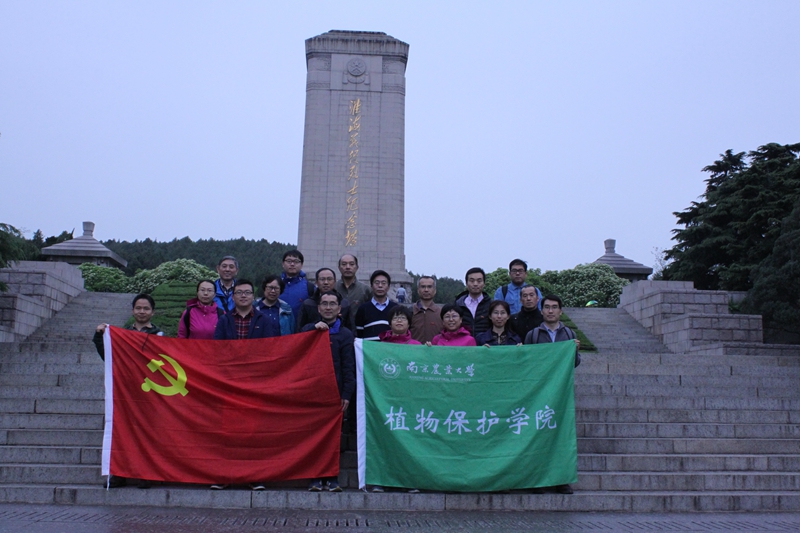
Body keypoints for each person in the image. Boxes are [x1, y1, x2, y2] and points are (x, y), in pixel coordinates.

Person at [92, 293, 164, 489]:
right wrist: (99, 336)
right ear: (132, 311)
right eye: (138, 308)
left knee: (147, 434)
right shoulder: (121, 335)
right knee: (122, 432)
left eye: (146, 308)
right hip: (125, 390)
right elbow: (108, 356)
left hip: (149, 392)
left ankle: (146, 473)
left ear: (153, 312)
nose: (142, 311)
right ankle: (119, 473)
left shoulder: (160, 336)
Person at [523, 294, 580, 495]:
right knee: (537, 436)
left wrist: (574, 350)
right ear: (541, 311)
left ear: (560, 311)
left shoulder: (569, 334)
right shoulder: (533, 335)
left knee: (561, 437)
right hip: (539, 393)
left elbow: (574, 363)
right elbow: (527, 363)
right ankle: (537, 479)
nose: (550, 311)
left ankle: (561, 479)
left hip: (561, 393)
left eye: (554, 307)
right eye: (547, 307)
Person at [301, 291, 355, 493]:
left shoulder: (346, 334)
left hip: (335, 392)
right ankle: (315, 477)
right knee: (314, 437)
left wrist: (347, 394)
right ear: (318, 308)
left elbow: (349, 367)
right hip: (312, 392)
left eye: (333, 304)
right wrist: (312, 329)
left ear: (339, 309)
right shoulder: (309, 330)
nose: (328, 307)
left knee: (333, 437)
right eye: (324, 304)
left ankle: (332, 477)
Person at [354, 270, 398, 340]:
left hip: (390, 346)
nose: (380, 286)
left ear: (388, 287)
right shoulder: (363, 309)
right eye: (377, 283)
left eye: (383, 283)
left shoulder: (396, 308)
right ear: (371, 286)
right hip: (369, 347)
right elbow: (359, 334)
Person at [454, 267, 492, 340]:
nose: (475, 284)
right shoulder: (458, 304)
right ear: (466, 283)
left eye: (479, 281)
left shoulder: (491, 305)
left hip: (485, 344)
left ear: (484, 283)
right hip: (463, 344)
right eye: (472, 281)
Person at [336, 254, 371, 325]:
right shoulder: (333, 288)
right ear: (339, 268)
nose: (348, 267)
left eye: (351, 264)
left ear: (357, 267)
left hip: (359, 327)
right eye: (344, 264)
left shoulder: (366, 289)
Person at [280, 250, 315, 318]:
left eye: (296, 261)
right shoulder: (275, 285)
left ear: (301, 265)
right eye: (289, 261)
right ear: (283, 264)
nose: (292, 264)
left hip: (302, 324)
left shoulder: (310, 287)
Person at [410, 276, 443, 344]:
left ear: (435, 290)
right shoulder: (409, 312)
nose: (426, 290)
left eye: (429, 287)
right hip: (414, 350)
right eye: (423, 287)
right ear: (418, 290)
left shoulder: (441, 313)